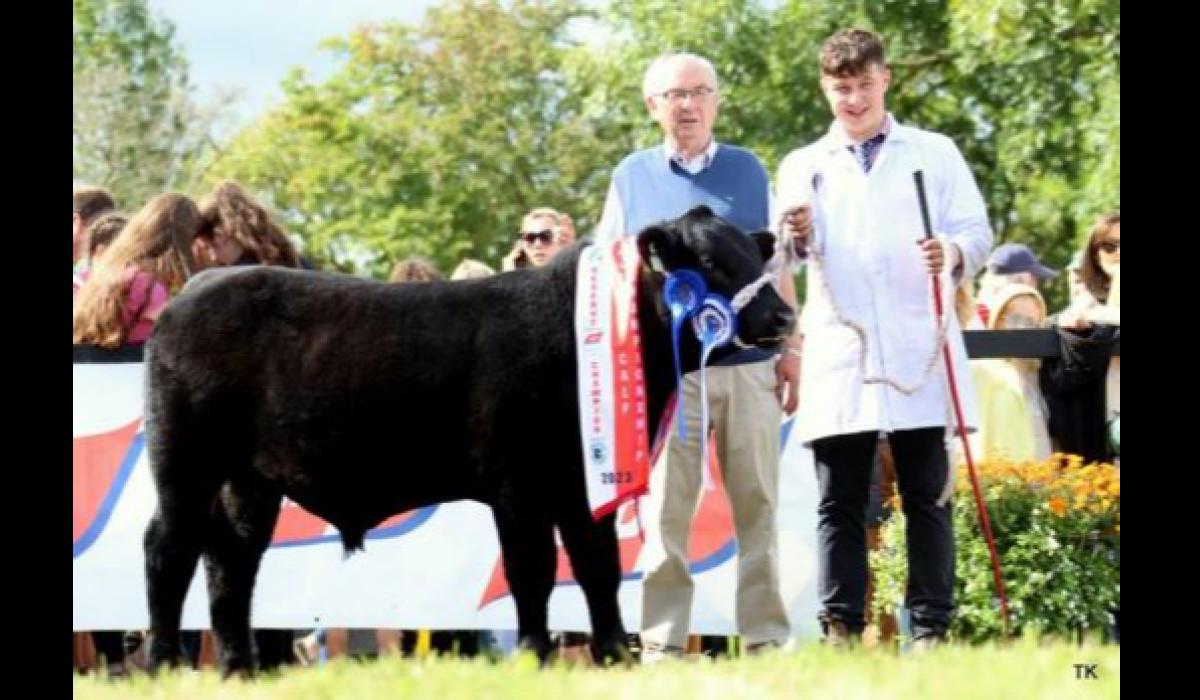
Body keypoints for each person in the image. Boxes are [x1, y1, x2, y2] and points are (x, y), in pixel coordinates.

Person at [776, 28, 993, 648]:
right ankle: (841, 625)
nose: (852, 100)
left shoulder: (934, 151)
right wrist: (794, 233)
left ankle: (929, 628)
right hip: (842, 347)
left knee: (926, 494)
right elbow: (781, 260)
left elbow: (977, 231)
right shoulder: (802, 165)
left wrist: (950, 250)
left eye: (864, 85)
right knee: (838, 498)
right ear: (825, 88)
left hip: (917, 342)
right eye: (841, 89)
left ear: (886, 79)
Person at [594, 52, 800, 662]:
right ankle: (661, 648)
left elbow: (778, 265)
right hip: (668, 379)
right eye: (672, 95)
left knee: (757, 507)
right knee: (664, 515)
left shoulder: (750, 170)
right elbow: (610, 270)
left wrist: (791, 347)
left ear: (716, 101)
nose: (686, 105)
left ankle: (765, 641)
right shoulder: (630, 175)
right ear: (651, 106)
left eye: (698, 92)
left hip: (748, 366)